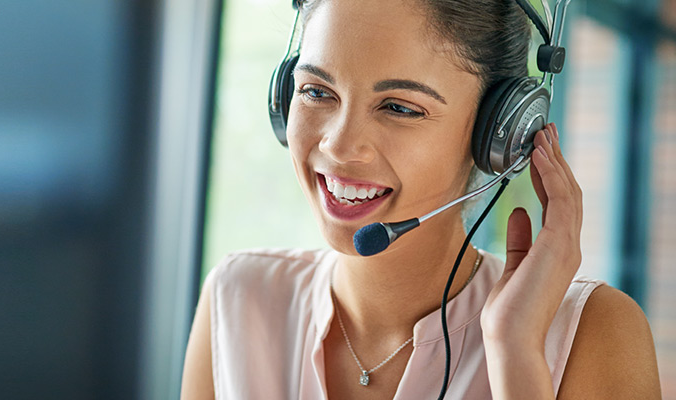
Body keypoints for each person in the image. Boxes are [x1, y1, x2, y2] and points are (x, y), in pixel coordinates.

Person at [181, 0, 662, 398]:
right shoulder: (238, 299)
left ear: (500, 135)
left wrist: (515, 352)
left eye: (399, 107)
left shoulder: (595, 335)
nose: (340, 146)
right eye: (316, 91)